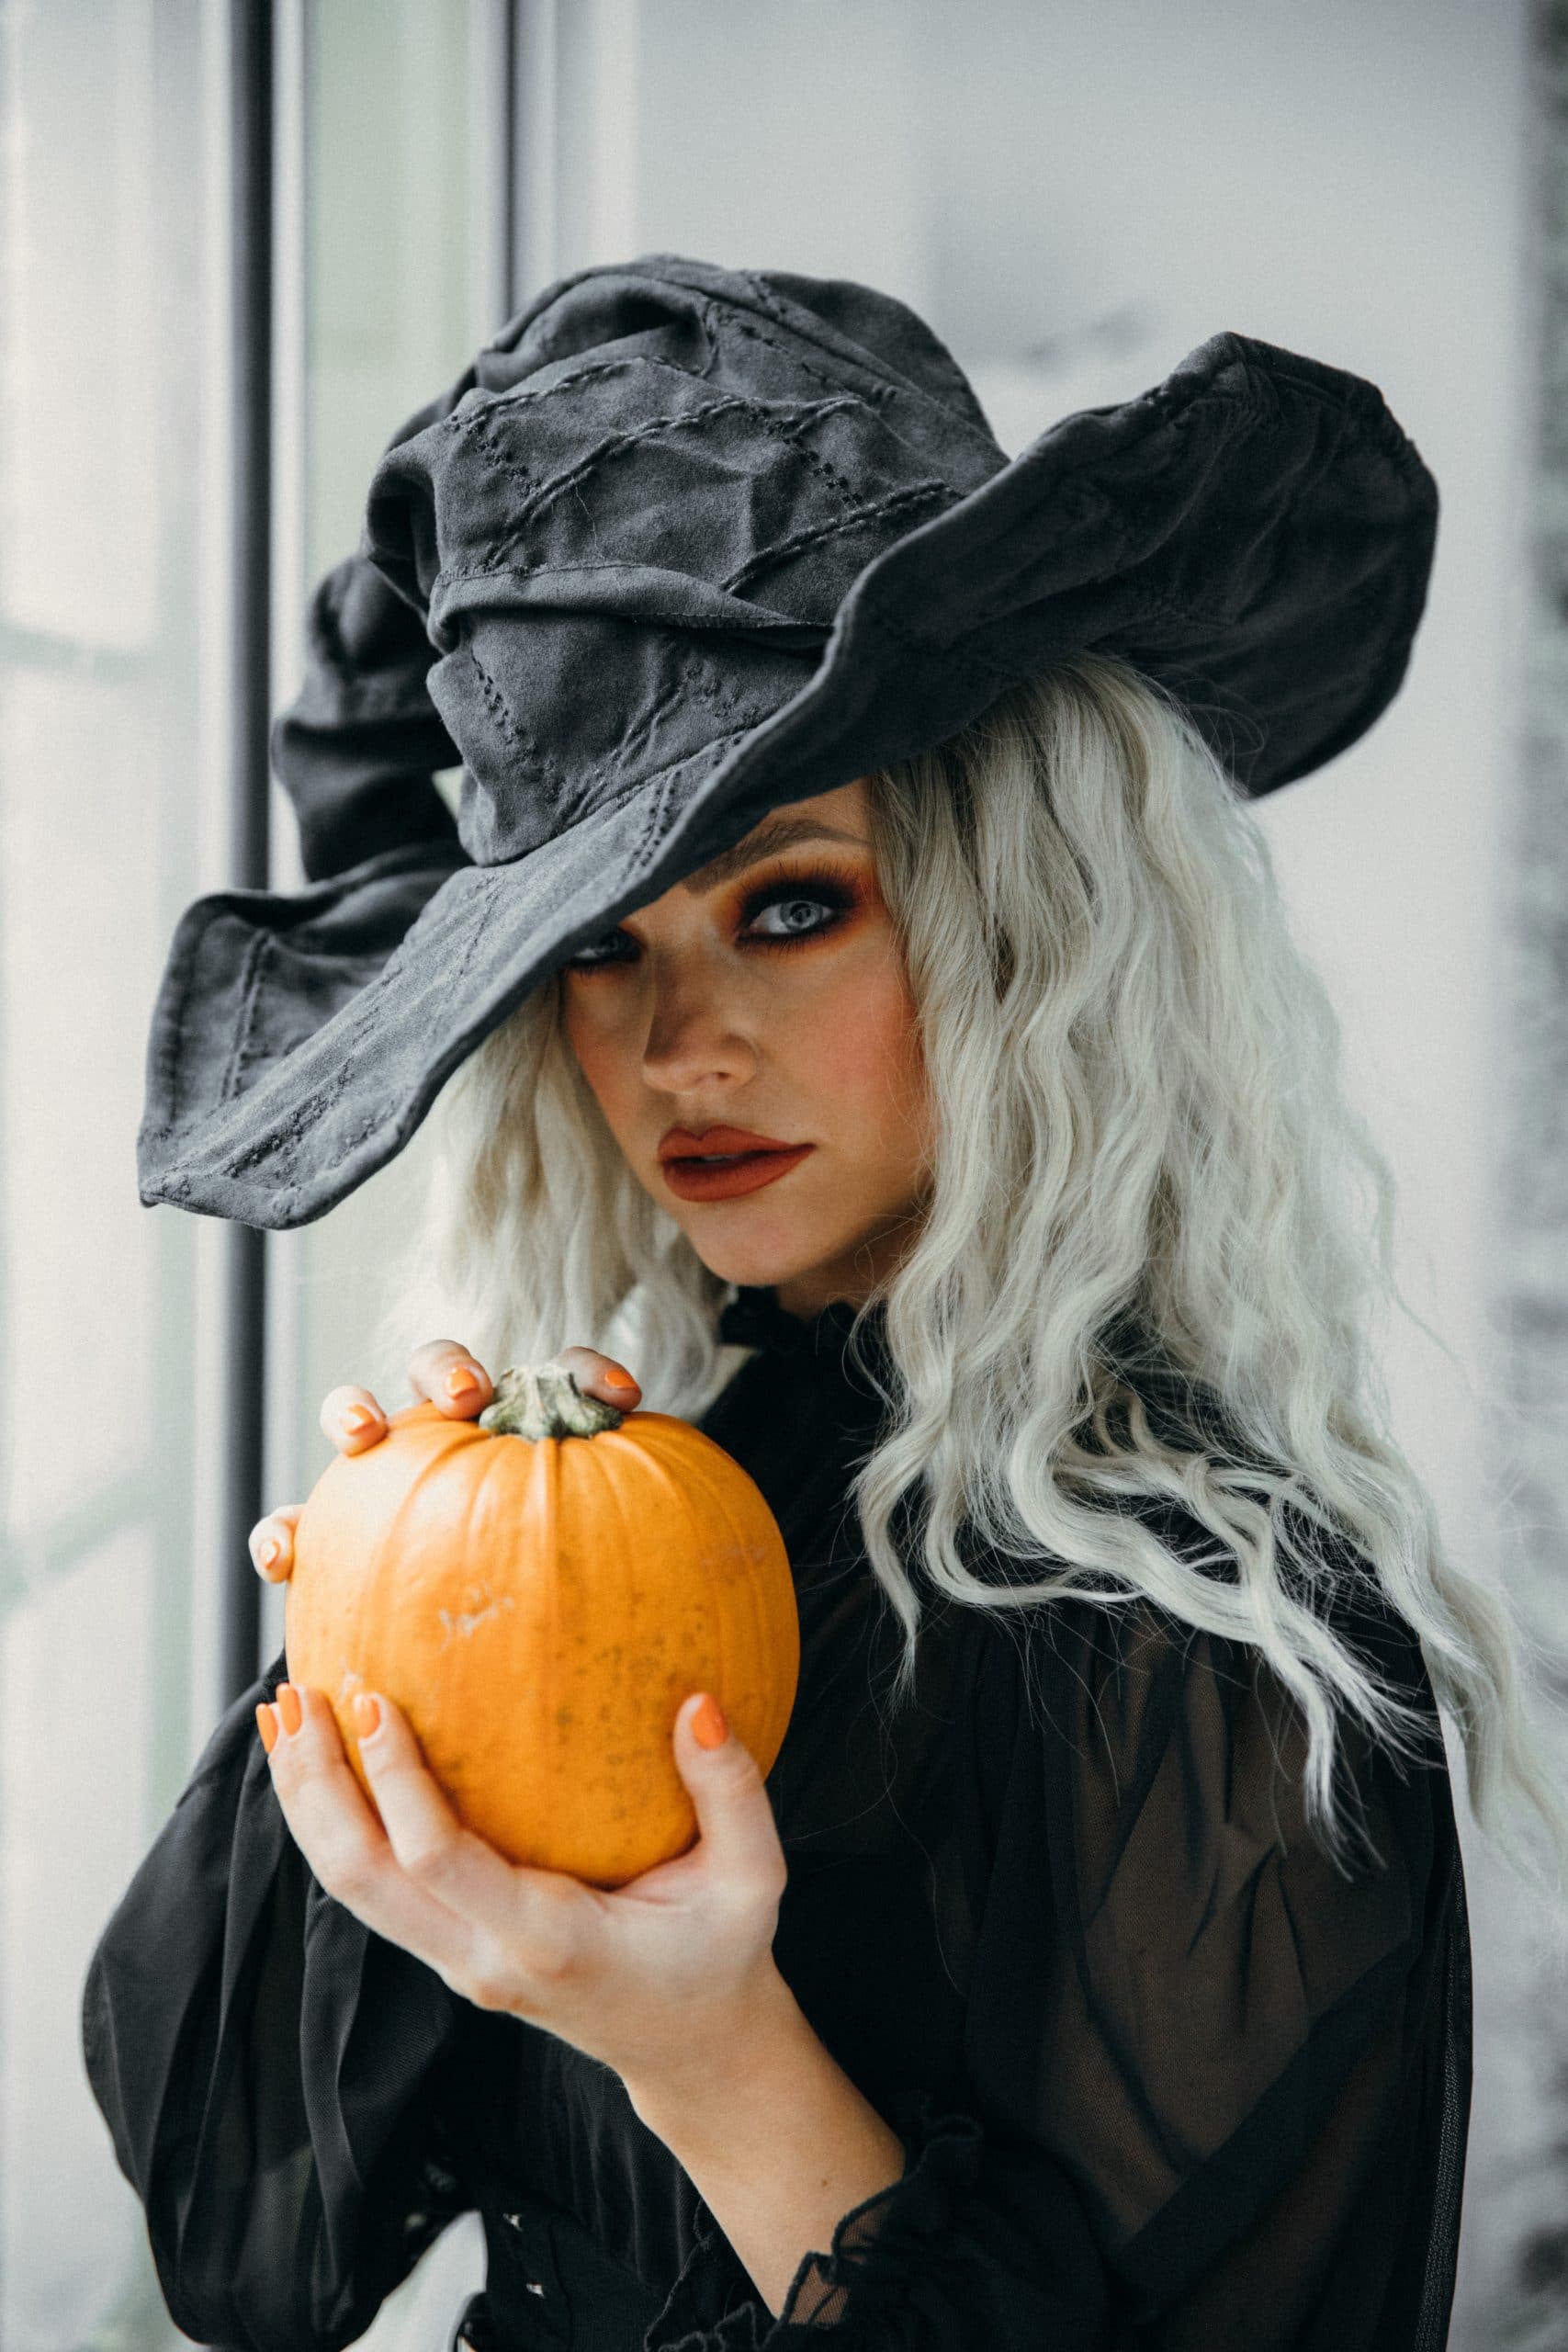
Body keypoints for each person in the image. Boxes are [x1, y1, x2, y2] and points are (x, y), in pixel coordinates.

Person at [84, 256, 1565, 2352]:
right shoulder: (663, 1486)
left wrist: (704, 2050)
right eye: (598, 945)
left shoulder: (1217, 1667)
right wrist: (378, 1641)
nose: (677, 1041)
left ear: (1019, 923)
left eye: (790, 905)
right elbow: (253, 2247)